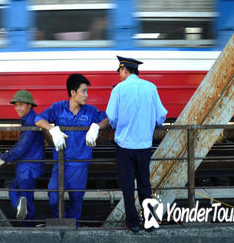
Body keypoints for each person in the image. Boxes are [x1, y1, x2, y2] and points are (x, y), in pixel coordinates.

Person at [35, 74, 109, 224]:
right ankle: (59, 221)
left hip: (80, 165)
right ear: (73, 92)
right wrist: (52, 129)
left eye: (87, 91)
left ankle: (74, 226)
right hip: (61, 163)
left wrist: (97, 126)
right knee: (54, 196)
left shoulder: (90, 111)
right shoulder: (58, 108)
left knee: (76, 200)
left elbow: (108, 119)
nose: (87, 95)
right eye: (84, 91)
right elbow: (38, 119)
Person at [106, 56, 167, 233]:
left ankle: (133, 223)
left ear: (124, 70)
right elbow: (160, 117)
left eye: (119, 71)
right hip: (144, 147)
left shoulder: (119, 89)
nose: (119, 75)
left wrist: (120, 127)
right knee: (144, 186)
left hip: (124, 148)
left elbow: (112, 118)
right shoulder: (151, 88)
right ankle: (149, 222)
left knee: (127, 187)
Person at [0, 90, 45, 226]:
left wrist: (4, 157)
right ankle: (22, 211)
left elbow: (22, 147)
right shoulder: (31, 119)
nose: (17, 108)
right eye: (16, 105)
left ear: (29, 105)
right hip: (29, 165)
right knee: (15, 189)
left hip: (27, 167)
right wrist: (9, 156)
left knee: (26, 199)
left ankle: (28, 228)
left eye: (20, 105)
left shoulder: (31, 122)